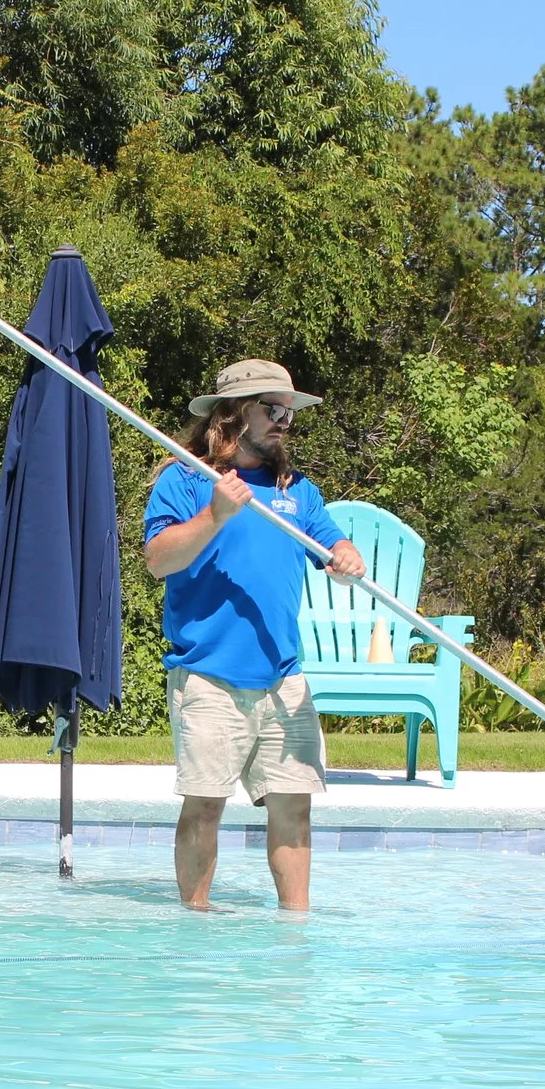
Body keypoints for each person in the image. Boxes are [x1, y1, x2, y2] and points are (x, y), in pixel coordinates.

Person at [143, 359, 366, 912]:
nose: (285, 420)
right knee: (205, 806)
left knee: (295, 806)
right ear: (234, 413)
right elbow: (158, 561)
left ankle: (297, 929)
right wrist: (214, 516)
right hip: (208, 675)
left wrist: (346, 555)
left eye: (289, 410)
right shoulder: (186, 480)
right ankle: (194, 922)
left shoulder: (300, 492)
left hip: (283, 678)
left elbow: (335, 544)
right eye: (273, 408)